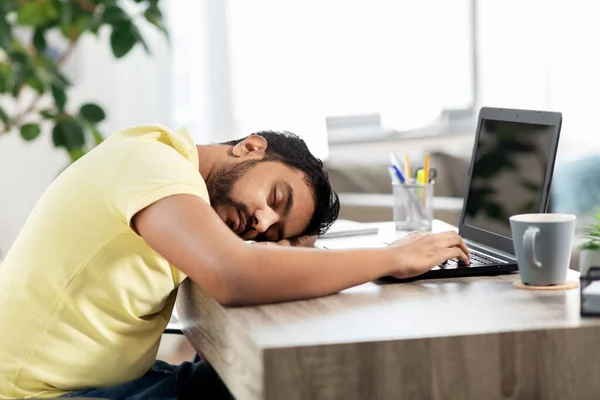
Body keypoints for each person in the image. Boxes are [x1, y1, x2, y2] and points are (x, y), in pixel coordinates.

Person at [0, 125, 469, 399]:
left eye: (272, 232)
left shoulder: (174, 184)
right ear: (250, 146)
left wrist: (278, 250)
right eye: (275, 196)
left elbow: (242, 259)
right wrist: (390, 257)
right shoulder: (153, 166)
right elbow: (233, 274)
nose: (260, 222)